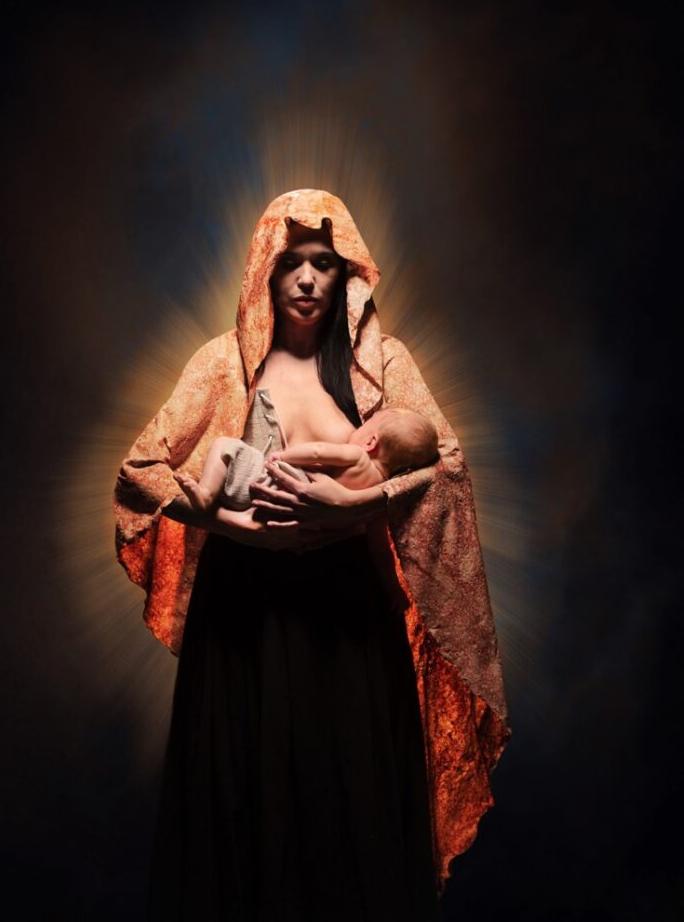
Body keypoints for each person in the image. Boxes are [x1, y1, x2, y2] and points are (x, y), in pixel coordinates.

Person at [113, 189, 512, 920]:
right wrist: (235, 528)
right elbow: (139, 472)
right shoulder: (223, 365)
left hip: (349, 618)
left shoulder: (380, 364)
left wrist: (358, 505)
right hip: (240, 621)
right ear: (265, 270)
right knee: (243, 800)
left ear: (347, 272)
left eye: (323, 263)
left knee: (351, 806)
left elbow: (446, 467)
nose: (305, 278)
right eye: (290, 261)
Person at [170, 405, 439, 612]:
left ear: (371, 442)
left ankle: (206, 494)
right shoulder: (376, 506)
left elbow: (318, 452)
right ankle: (209, 496)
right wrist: (393, 588)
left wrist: (282, 456)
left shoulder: (358, 457)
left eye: (365, 424)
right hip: (288, 526)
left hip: (268, 487)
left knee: (226, 446)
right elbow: (380, 550)